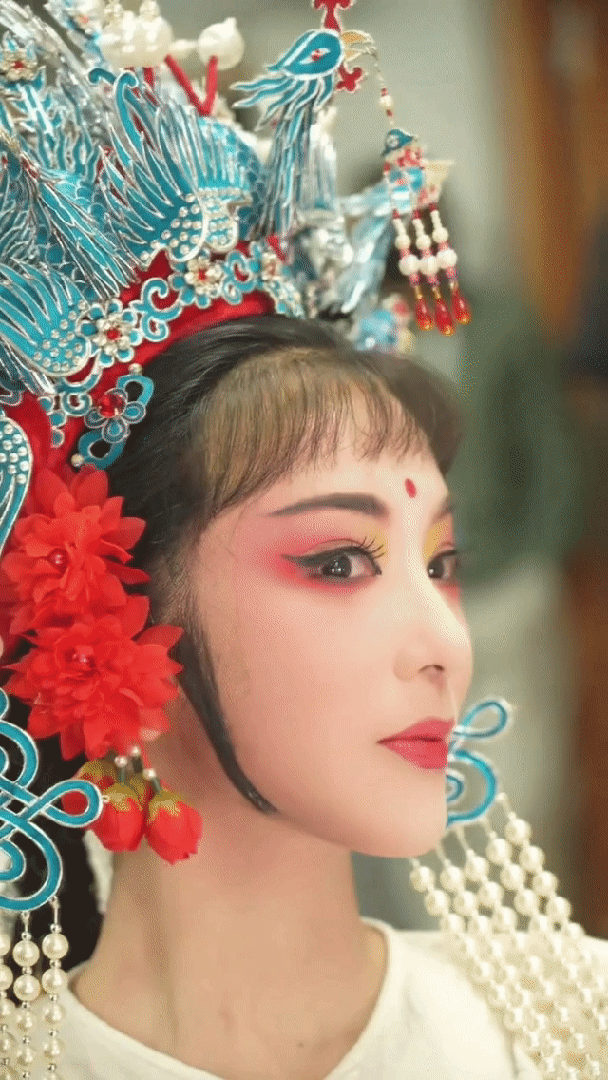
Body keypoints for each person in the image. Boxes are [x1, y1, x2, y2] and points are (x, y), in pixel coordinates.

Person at [1, 2, 607, 1079]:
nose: (447, 644)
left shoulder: (575, 1025)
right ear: (102, 603)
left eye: (441, 564)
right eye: (338, 562)